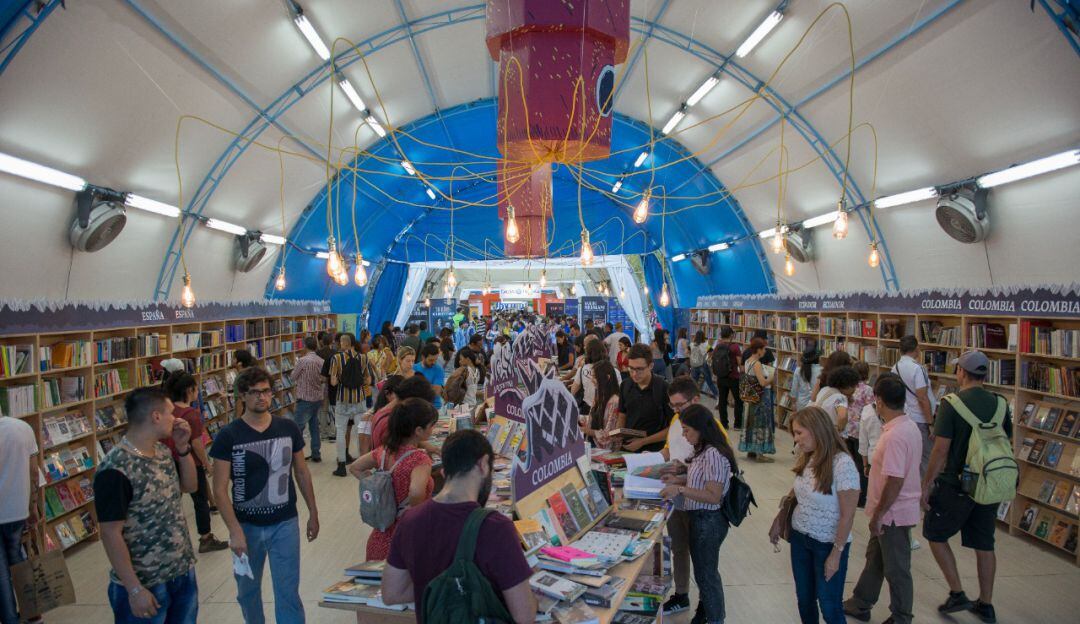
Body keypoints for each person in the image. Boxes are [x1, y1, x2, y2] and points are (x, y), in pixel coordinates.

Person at [381, 430, 536, 623]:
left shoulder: (409, 520)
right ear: (483, 464)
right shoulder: (496, 528)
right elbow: (525, 616)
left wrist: (439, 586)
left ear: (444, 471)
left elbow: (391, 593)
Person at [211, 367, 319, 624]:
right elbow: (219, 489)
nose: (262, 397)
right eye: (254, 392)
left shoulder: (288, 428)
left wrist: (313, 512)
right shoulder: (229, 435)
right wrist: (234, 530)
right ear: (242, 396)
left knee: (287, 591)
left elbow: (302, 473)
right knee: (247, 591)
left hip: (284, 523)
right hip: (246, 527)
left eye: (267, 391)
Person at [94, 388, 198, 623]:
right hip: (146, 582)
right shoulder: (115, 468)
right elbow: (110, 533)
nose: (177, 418)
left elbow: (190, 486)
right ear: (156, 416)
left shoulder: (162, 451)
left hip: (180, 570)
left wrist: (183, 449)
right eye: (171, 413)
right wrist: (134, 589)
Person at [921, 351, 1010, 623]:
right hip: (989, 483)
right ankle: (986, 603)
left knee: (935, 534)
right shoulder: (1001, 403)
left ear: (961, 372)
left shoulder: (952, 403)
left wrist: (926, 484)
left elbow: (940, 449)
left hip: (956, 483)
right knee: (985, 543)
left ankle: (957, 592)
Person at [770, 406, 860, 624]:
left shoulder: (843, 464)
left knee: (830, 607)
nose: (796, 439)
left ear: (817, 429)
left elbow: (848, 516)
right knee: (805, 600)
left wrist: (836, 555)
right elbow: (797, 491)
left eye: (799, 433)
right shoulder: (808, 456)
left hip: (827, 544)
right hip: (800, 538)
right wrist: (780, 517)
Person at [843, 374, 921, 624]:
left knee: (896, 568)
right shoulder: (908, 426)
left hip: (893, 515)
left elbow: (895, 480)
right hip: (891, 512)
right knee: (875, 559)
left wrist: (878, 515)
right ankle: (861, 601)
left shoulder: (895, 436)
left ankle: (901, 616)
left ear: (879, 401)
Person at [658, 376, 728, 617]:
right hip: (680, 498)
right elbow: (672, 450)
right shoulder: (678, 421)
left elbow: (714, 483)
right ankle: (682, 595)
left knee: (704, 565)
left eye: (680, 405)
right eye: (673, 406)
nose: (676, 412)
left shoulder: (711, 435)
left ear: (695, 400)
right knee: (680, 548)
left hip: (701, 507)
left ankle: (708, 610)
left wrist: (681, 482)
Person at [350, 398, 437, 561]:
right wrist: (418, 515)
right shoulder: (419, 459)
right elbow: (416, 491)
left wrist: (376, 486)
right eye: (431, 425)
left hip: (380, 536)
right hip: (408, 538)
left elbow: (355, 467)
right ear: (418, 430)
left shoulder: (384, 451)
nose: (434, 429)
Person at [161, 372, 229, 553]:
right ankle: (206, 537)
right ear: (189, 390)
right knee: (200, 501)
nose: (197, 392)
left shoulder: (167, 411)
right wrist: (207, 463)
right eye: (195, 388)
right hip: (189, 461)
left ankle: (169, 538)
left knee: (172, 500)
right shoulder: (191, 414)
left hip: (168, 461)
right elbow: (197, 444)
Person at [0, 408, 38, 624]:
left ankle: (9, 618)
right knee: (19, 560)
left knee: (1, 572)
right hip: (17, 509)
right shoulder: (22, 428)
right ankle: (33, 615)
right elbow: (34, 472)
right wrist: (33, 506)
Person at [618, 344, 674, 453]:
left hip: (654, 452)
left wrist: (643, 441)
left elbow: (674, 428)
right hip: (627, 449)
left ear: (651, 366)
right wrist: (617, 434)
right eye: (631, 368)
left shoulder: (664, 388)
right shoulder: (625, 385)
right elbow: (622, 415)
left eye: (639, 369)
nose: (634, 374)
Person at [329, 333, 372, 475]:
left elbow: (333, 382)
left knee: (341, 431)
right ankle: (363, 463)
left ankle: (341, 465)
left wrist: (342, 379)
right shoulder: (363, 358)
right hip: (360, 400)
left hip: (343, 400)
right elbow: (368, 380)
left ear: (343, 343)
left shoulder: (336, 358)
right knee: (361, 431)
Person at [892, 335, 934, 475]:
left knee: (908, 457)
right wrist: (930, 423)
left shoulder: (895, 368)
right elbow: (922, 398)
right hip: (920, 419)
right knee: (925, 456)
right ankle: (924, 491)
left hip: (904, 416)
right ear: (917, 349)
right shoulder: (917, 369)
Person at [739, 337, 776, 462]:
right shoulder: (757, 364)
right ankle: (760, 453)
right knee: (761, 423)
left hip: (750, 398)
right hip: (759, 399)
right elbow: (763, 382)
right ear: (758, 350)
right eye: (764, 349)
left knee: (750, 423)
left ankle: (751, 450)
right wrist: (772, 378)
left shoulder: (748, 361)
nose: (765, 351)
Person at [845, 361, 875, 506]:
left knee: (850, 463)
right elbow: (871, 409)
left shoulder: (849, 388)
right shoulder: (868, 390)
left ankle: (850, 493)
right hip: (860, 430)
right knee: (861, 463)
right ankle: (862, 498)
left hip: (848, 427)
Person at [291, 336, 325, 463]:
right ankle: (316, 453)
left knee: (297, 428)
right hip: (317, 398)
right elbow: (324, 378)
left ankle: (295, 455)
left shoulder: (302, 361)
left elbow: (293, 376)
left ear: (305, 346)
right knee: (314, 426)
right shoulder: (321, 361)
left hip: (305, 398)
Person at [571, 339, 620, 415]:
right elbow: (619, 391)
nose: (594, 380)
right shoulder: (614, 371)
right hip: (609, 409)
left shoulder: (582, 369)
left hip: (587, 408)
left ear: (588, 353)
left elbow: (573, 390)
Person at [584, 360, 622, 450]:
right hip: (592, 445)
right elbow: (592, 419)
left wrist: (587, 431)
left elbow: (609, 434)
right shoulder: (600, 396)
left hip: (604, 450)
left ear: (607, 377)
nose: (592, 380)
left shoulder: (614, 402)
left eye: (595, 377)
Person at [711, 326, 743, 430]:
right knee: (738, 401)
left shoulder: (718, 346)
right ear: (731, 335)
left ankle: (724, 424)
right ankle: (737, 424)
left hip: (721, 377)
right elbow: (739, 364)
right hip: (734, 377)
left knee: (722, 401)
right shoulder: (735, 347)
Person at [814, 365, 860, 434]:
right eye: (854, 386)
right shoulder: (841, 397)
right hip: (828, 434)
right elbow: (842, 416)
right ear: (847, 385)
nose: (854, 389)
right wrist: (839, 430)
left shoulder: (824, 389)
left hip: (816, 428)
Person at [317, 333, 338, 441]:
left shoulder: (317, 353)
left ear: (322, 342)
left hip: (321, 384)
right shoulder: (335, 353)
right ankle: (333, 432)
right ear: (332, 342)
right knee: (334, 408)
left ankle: (323, 433)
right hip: (333, 384)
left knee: (323, 410)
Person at [415, 343, 446, 409]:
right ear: (423, 357)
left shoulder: (439, 369)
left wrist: (419, 387)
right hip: (417, 406)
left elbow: (436, 392)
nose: (434, 362)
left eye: (436, 360)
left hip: (434, 406)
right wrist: (430, 386)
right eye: (431, 360)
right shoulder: (414, 368)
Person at [791, 347, 822, 411]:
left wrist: (793, 404)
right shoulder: (822, 371)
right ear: (817, 358)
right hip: (816, 405)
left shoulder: (798, 370)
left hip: (801, 405)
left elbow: (794, 391)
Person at [689, 330, 717, 398]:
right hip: (703, 365)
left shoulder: (692, 344)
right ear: (703, 337)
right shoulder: (706, 344)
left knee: (694, 382)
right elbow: (711, 352)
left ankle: (692, 396)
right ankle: (717, 396)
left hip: (694, 365)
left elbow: (687, 352)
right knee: (709, 382)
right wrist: (708, 358)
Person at [232, 348, 257, 420]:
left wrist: (236, 420)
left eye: (233, 358)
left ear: (239, 363)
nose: (231, 360)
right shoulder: (252, 373)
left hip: (244, 416)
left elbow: (239, 400)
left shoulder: (240, 378)